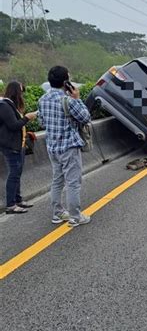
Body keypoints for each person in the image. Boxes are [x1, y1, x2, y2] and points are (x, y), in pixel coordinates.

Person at [38, 66, 92, 227]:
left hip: (52, 147)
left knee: (57, 180)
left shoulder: (42, 100)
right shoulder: (67, 100)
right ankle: (75, 217)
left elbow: (41, 122)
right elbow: (85, 117)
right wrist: (77, 98)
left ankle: (58, 213)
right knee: (73, 183)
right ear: (65, 82)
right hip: (68, 147)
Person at [0, 81, 37, 214]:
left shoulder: (12, 106)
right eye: (21, 91)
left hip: (18, 144)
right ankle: (11, 205)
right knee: (14, 174)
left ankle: (18, 200)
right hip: (10, 146)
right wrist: (27, 118)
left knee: (18, 172)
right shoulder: (4, 105)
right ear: (15, 92)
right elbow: (13, 125)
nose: (22, 94)